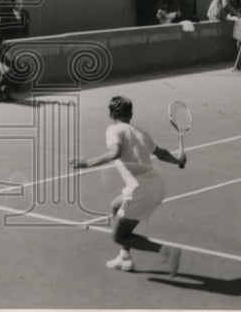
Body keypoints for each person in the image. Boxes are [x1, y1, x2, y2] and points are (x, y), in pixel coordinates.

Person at [70, 96, 185, 274]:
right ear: (131, 113)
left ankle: (166, 251)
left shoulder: (114, 129)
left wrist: (87, 163)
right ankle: (125, 257)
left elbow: (114, 153)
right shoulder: (141, 132)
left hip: (140, 190)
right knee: (116, 206)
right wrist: (178, 161)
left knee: (118, 236)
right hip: (156, 185)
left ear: (111, 113)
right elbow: (161, 154)